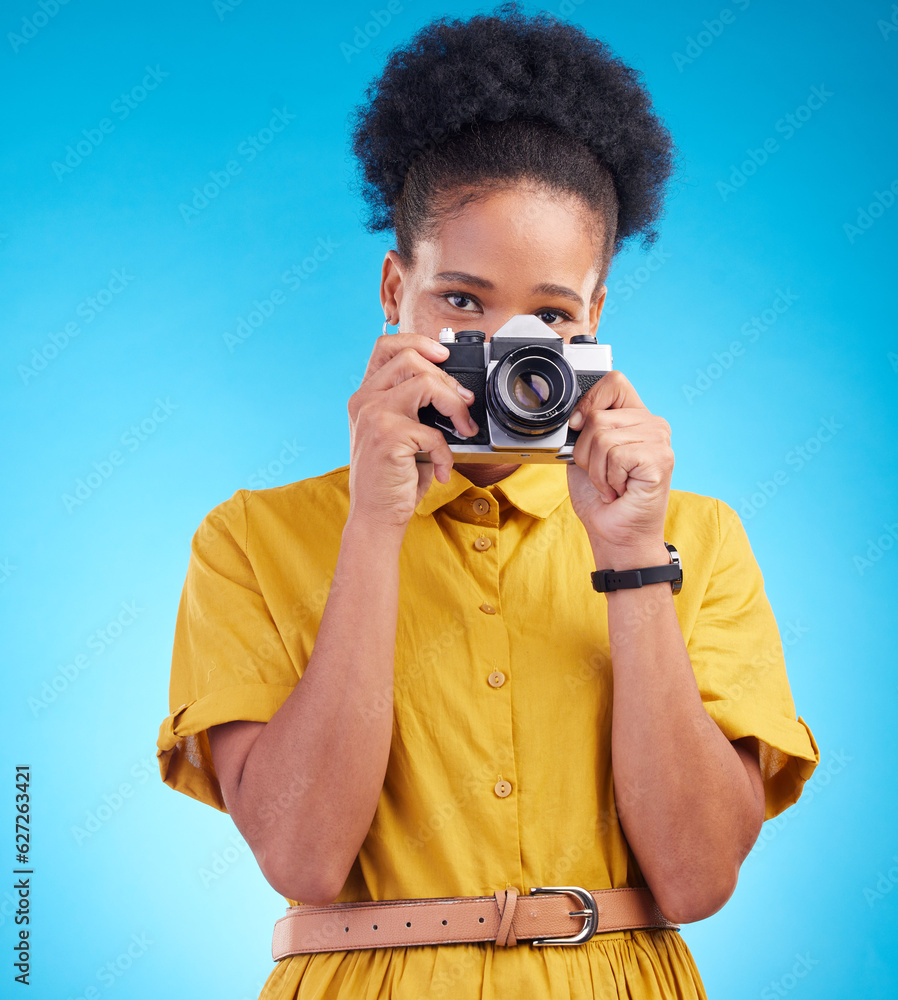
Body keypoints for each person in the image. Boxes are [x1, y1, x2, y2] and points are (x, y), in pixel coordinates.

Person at [156, 5, 820, 997]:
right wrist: (375, 527)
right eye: (462, 302)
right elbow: (301, 858)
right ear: (395, 288)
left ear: (593, 319)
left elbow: (694, 875)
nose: (505, 354)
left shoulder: (695, 536)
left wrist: (632, 557)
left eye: (548, 316)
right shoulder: (252, 539)